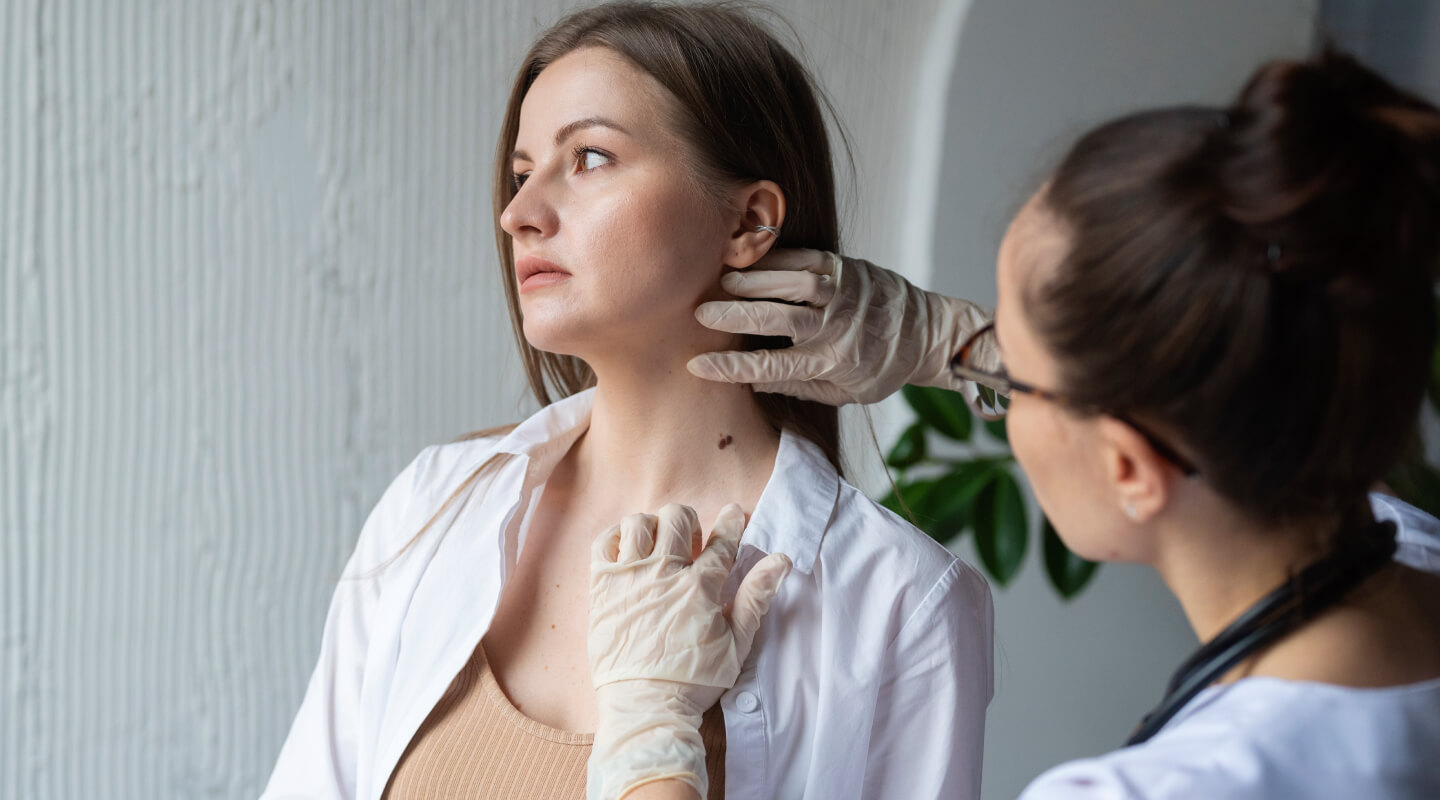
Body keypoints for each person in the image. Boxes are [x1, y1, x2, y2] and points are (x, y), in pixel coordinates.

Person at [586, 50, 1440, 799]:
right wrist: (956, 347)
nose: (991, 394)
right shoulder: (1409, 555)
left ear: (1130, 469)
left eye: (1014, 381)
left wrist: (651, 739)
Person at [260, 3, 994, 799]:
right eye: (521, 173)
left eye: (591, 158)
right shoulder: (431, 510)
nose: (519, 214)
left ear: (749, 221)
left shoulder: (899, 604)